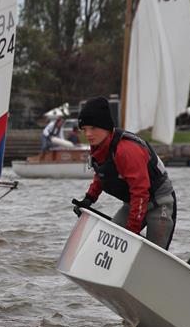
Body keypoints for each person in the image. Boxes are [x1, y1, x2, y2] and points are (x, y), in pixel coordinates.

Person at [74, 97, 177, 250]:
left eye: (93, 128)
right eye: (85, 129)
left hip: (159, 203)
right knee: (109, 245)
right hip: (134, 204)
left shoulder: (126, 150)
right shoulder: (98, 147)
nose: (88, 134)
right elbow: (102, 174)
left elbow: (140, 193)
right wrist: (89, 198)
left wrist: (131, 231)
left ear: (106, 127)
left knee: (155, 253)